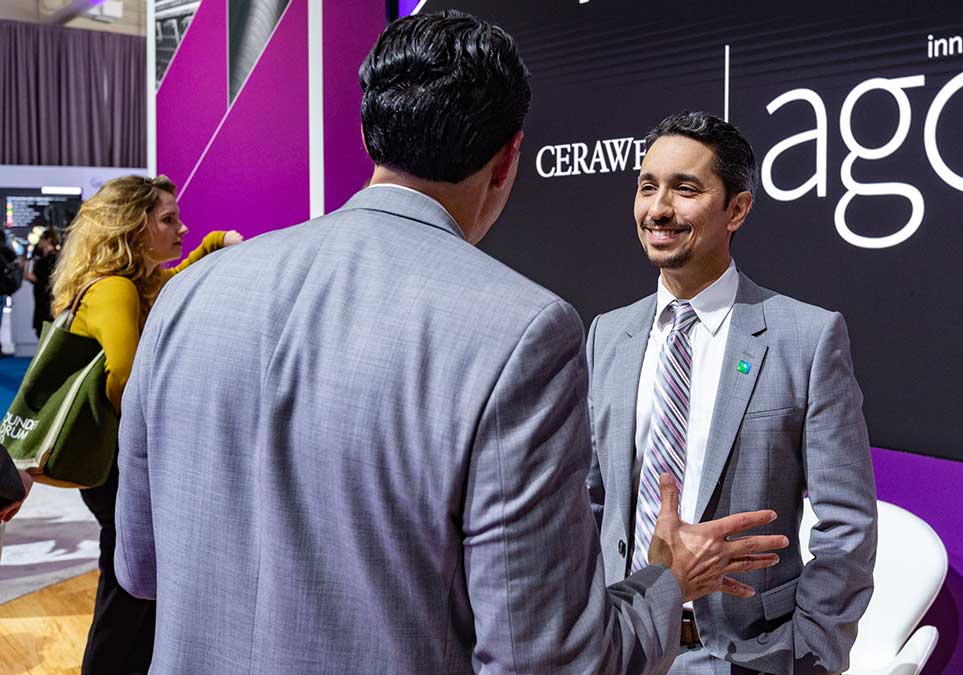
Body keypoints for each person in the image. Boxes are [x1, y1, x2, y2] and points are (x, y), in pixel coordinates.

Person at [113, 11, 786, 675]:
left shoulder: (186, 295)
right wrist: (665, 579)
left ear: (367, 133)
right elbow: (548, 661)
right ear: (507, 160)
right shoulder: (524, 331)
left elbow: (138, 567)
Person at [586, 112, 879, 675]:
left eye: (685, 189)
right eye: (648, 187)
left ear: (737, 209)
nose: (658, 209)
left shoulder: (806, 337)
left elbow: (848, 523)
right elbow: (589, 499)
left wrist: (808, 653)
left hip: (744, 654)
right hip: (618, 643)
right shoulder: (608, 334)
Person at [42, 174, 242, 674]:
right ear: (133, 226)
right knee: (127, 588)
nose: (182, 227)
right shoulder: (116, 290)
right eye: (168, 219)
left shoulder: (128, 283)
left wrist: (212, 246)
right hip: (116, 466)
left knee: (133, 583)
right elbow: (125, 380)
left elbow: (173, 282)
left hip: (109, 464)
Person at [25, 225, 60, 337]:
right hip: (41, 302)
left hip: (48, 304)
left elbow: (49, 280)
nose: (39, 241)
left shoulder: (53, 258)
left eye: (41, 238)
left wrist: (35, 279)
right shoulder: (41, 257)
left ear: (48, 239)